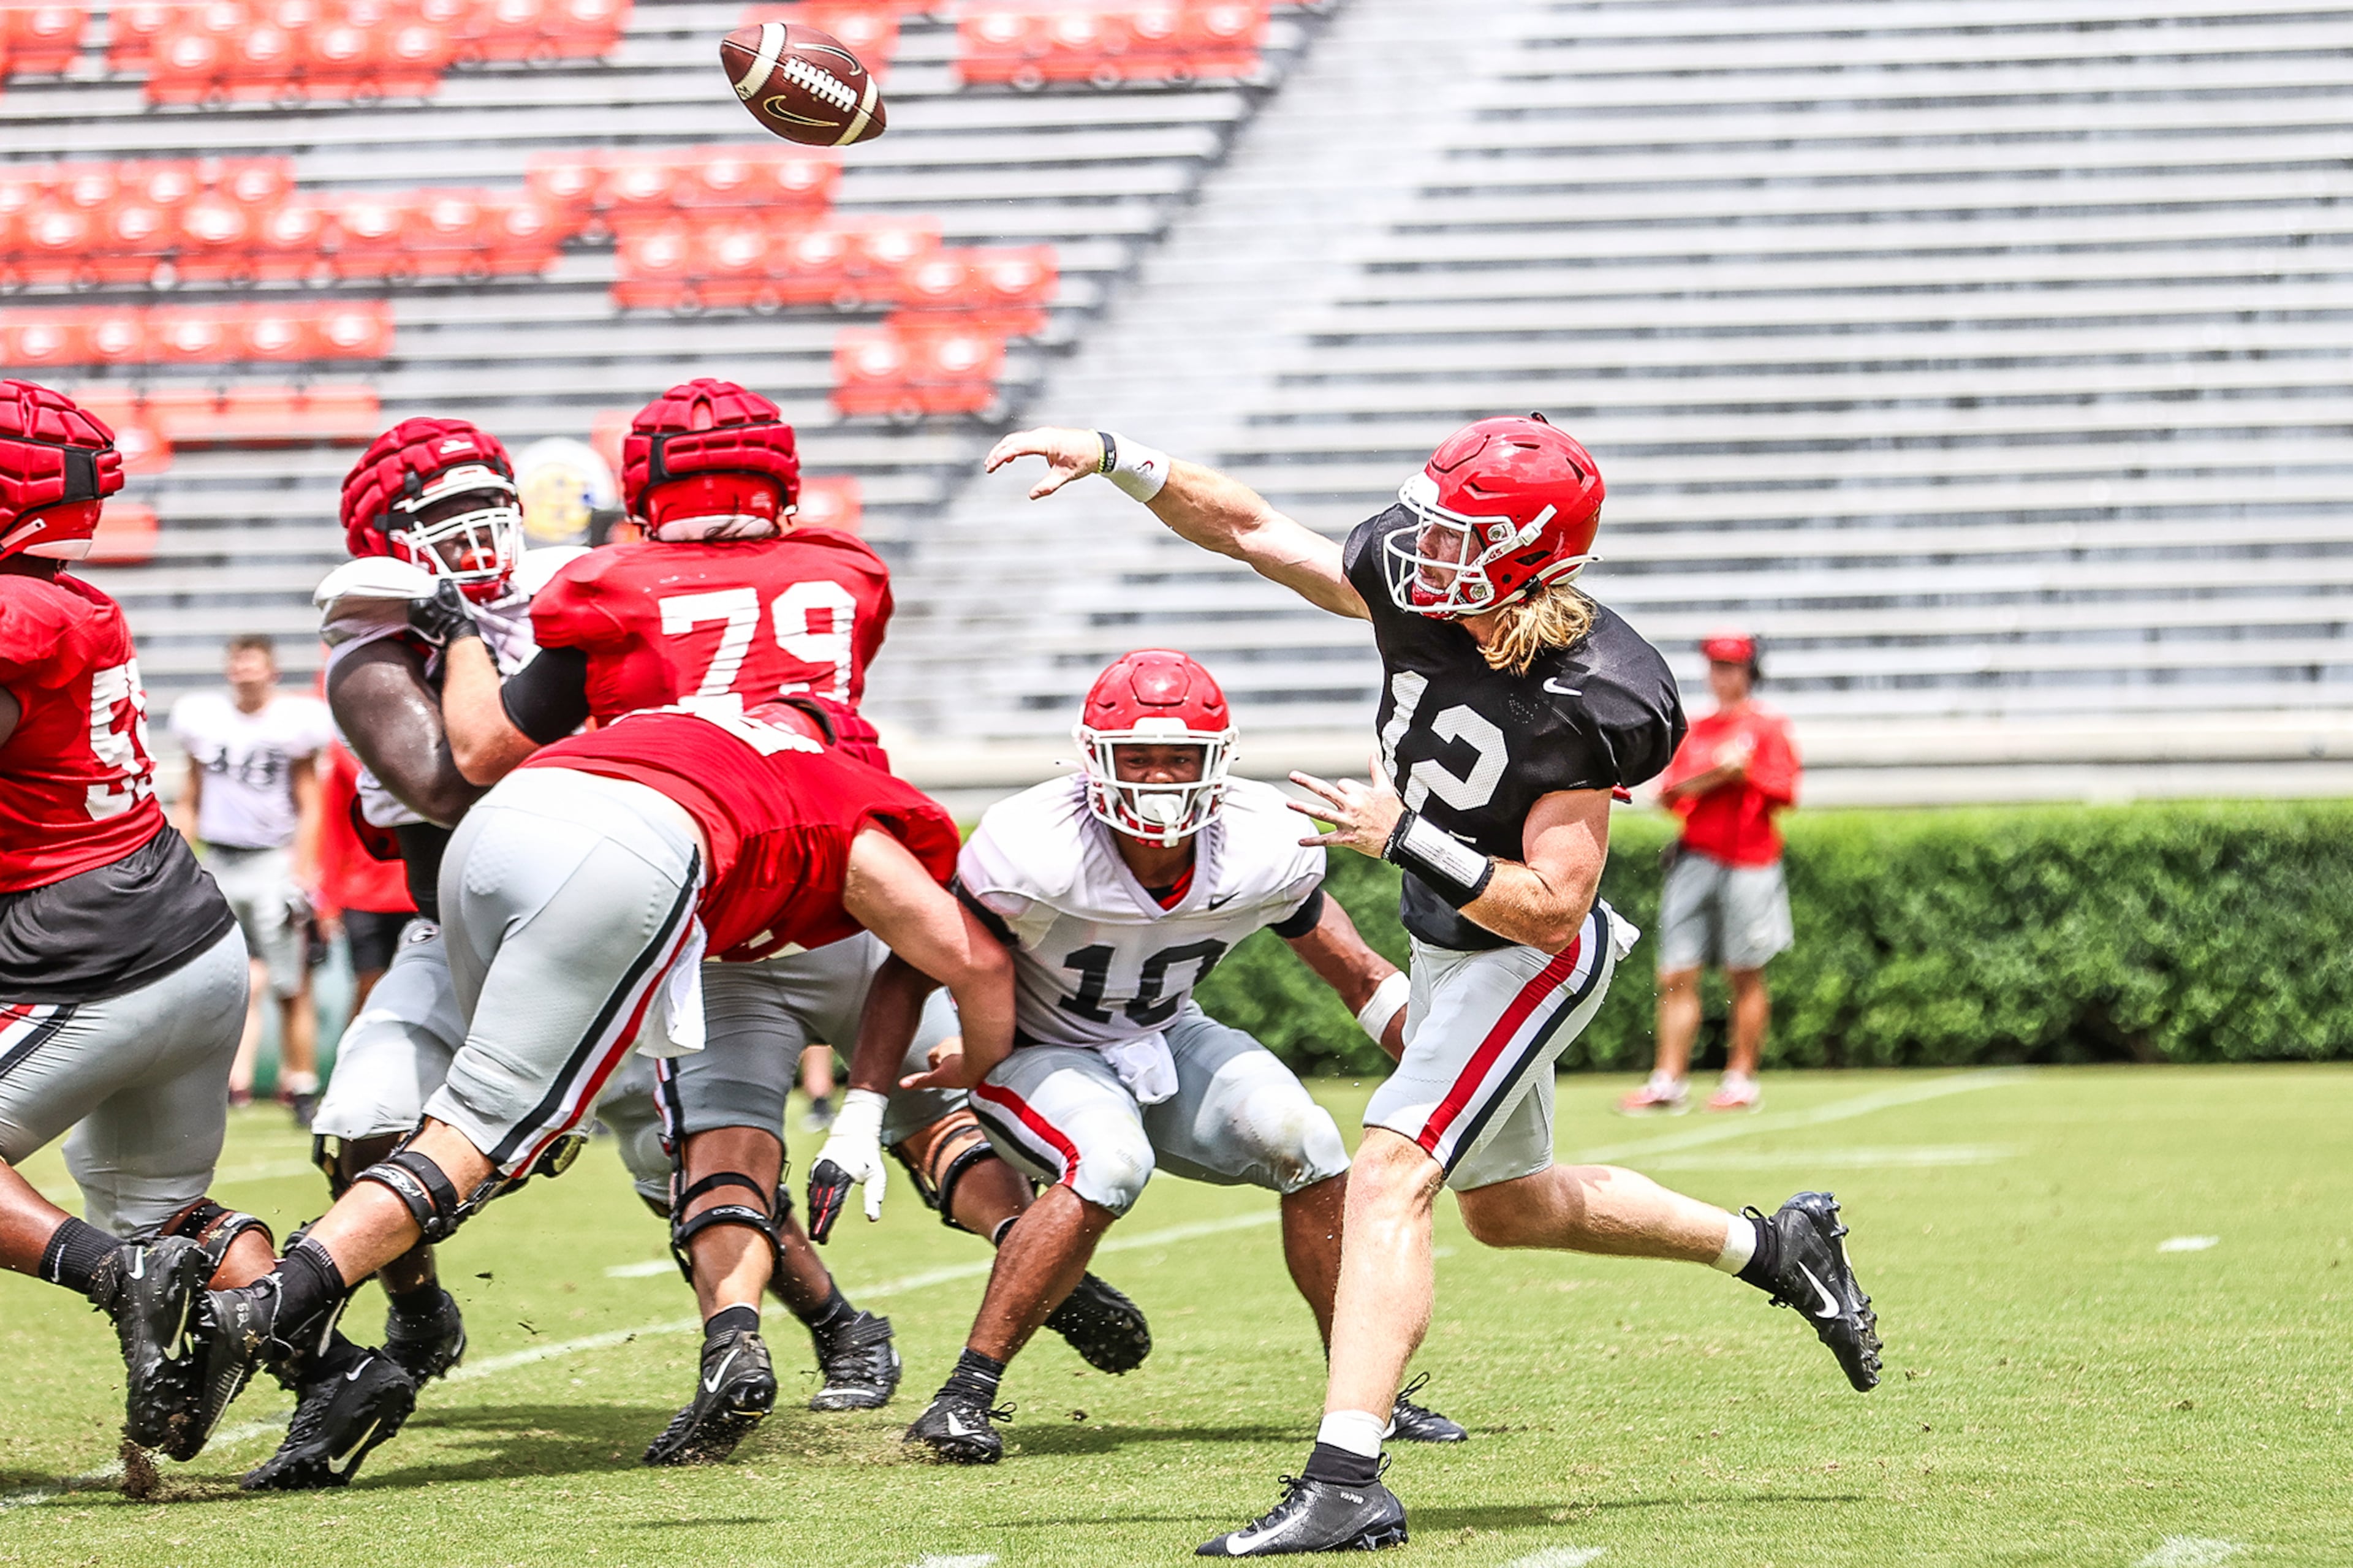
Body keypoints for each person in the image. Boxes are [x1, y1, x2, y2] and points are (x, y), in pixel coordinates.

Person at [986, 417, 1882, 1555]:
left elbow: (1555, 903)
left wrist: (1406, 834)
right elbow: (1256, 528)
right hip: (1450, 944)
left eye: (1461, 535)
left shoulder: (1596, 692)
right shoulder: (1424, 584)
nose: (1423, 550)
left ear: (1529, 557)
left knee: (1387, 1171)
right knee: (1510, 1208)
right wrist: (1121, 460)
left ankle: (1347, 1474)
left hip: (1526, 954)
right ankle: (1777, 1245)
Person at [425, 378, 1151, 1452]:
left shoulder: (611, 585)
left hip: (714, 893)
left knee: (725, 1138)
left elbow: (486, 751)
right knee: (919, 1108)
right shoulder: (841, 570)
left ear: (643, 487)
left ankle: (735, 1341)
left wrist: (457, 641)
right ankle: (1019, 1236)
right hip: (852, 871)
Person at [133, 699, 1014, 1483]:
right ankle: (269, 1304)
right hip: (631, 854)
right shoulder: (835, 790)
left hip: (499, 831)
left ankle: (355, 1312)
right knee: (482, 1130)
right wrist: (972, 1063)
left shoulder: (684, 725)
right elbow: (970, 958)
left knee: (468, 1115)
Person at [822, 649, 1465, 1466]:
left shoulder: (1264, 841)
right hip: (1036, 1045)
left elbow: (1362, 975)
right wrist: (862, 1106)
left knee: (1309, 1140)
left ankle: (1362, 1395)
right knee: (1111, 1159)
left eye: (1179, 757)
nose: (1159, 777)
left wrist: (1464, 1085)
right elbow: (911, 963)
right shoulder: (1030, 844)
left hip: (1164, 1030)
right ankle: (962, 1397)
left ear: (1218, 762)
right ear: (1095, 757)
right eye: (1138, 755)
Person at [275, 415, 573, 1491]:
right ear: (390, 539)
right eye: (445, 512)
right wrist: (461, 640)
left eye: (490, 497)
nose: (481, 525)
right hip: (457, 938)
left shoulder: (571, 594)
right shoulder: (371, 649)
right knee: (361, 1120)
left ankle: (828, 1320)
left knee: (694, 1138)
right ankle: (418, 1305)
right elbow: (452, 782)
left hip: (603, 932)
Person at [0, 379, 278, 1461]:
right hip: (180, 934)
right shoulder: (70, 600)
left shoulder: (20, 613)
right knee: (166, 1213)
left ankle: (121, 1278)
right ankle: (341, 1368)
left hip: (93, 953)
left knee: (139, 1244)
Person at [1622, 632, 1800, 1116]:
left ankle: (1741, 1077)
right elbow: (1668, 791)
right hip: (1695, 857)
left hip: (1751, 860)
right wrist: (1721, 775)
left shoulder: (1767, 727)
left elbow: (1785, 792)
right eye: (1717, 666)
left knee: (1745, 970)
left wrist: (1745, 776)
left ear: (1749, 672)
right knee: (1677, 969)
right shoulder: (1695, 730)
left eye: (1732, 666)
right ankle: (1669, 1078)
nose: (1723, 675)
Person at [169, 633, 332, 1126]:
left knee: (289, 979)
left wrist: (303, 869)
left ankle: (300, 1082)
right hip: (219, 858)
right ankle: (212, 1085)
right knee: (211, 982)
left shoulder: (293, 721)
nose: (245, 671)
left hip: (270, 861)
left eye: (253, 663)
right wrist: (180, 860)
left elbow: (310, 801)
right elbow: (191, 795)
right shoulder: (205, 719)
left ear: (272, 671)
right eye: (238, 663)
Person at [316, 739, 414, 1014]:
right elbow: (333, 828)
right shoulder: (343, 751)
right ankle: (352, 1056)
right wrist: (328, 898)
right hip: (364, 895)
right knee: (368, 990)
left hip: (419, 892)